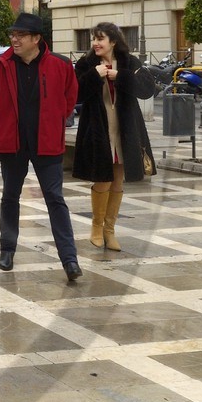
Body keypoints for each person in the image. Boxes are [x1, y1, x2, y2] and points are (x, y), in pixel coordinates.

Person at [0, 12, 81, 280]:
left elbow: (70, 97)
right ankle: (7, 250)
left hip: (47, 144)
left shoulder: (59, 65)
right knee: (10, 197)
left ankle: (69, 259)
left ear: (36, 39)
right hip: (12, 144)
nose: (14, 39)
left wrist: (55, 120)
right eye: (12, 34)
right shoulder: (0, 65)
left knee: (55, 200)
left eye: (20, 35)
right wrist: (5, 118)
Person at [72, 23, 155, 251]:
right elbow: (74, 93)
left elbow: (147, 90)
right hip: (98, 128)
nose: (96, 43)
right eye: (94, 39)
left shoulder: (129, 62)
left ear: (113, 41)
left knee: (118, 179)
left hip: (125, 128)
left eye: (101, 39)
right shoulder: (86, 64)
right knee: (102, 177)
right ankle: (96, 227)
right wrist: (93, 75)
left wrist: (120, 76)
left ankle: (110, 230)